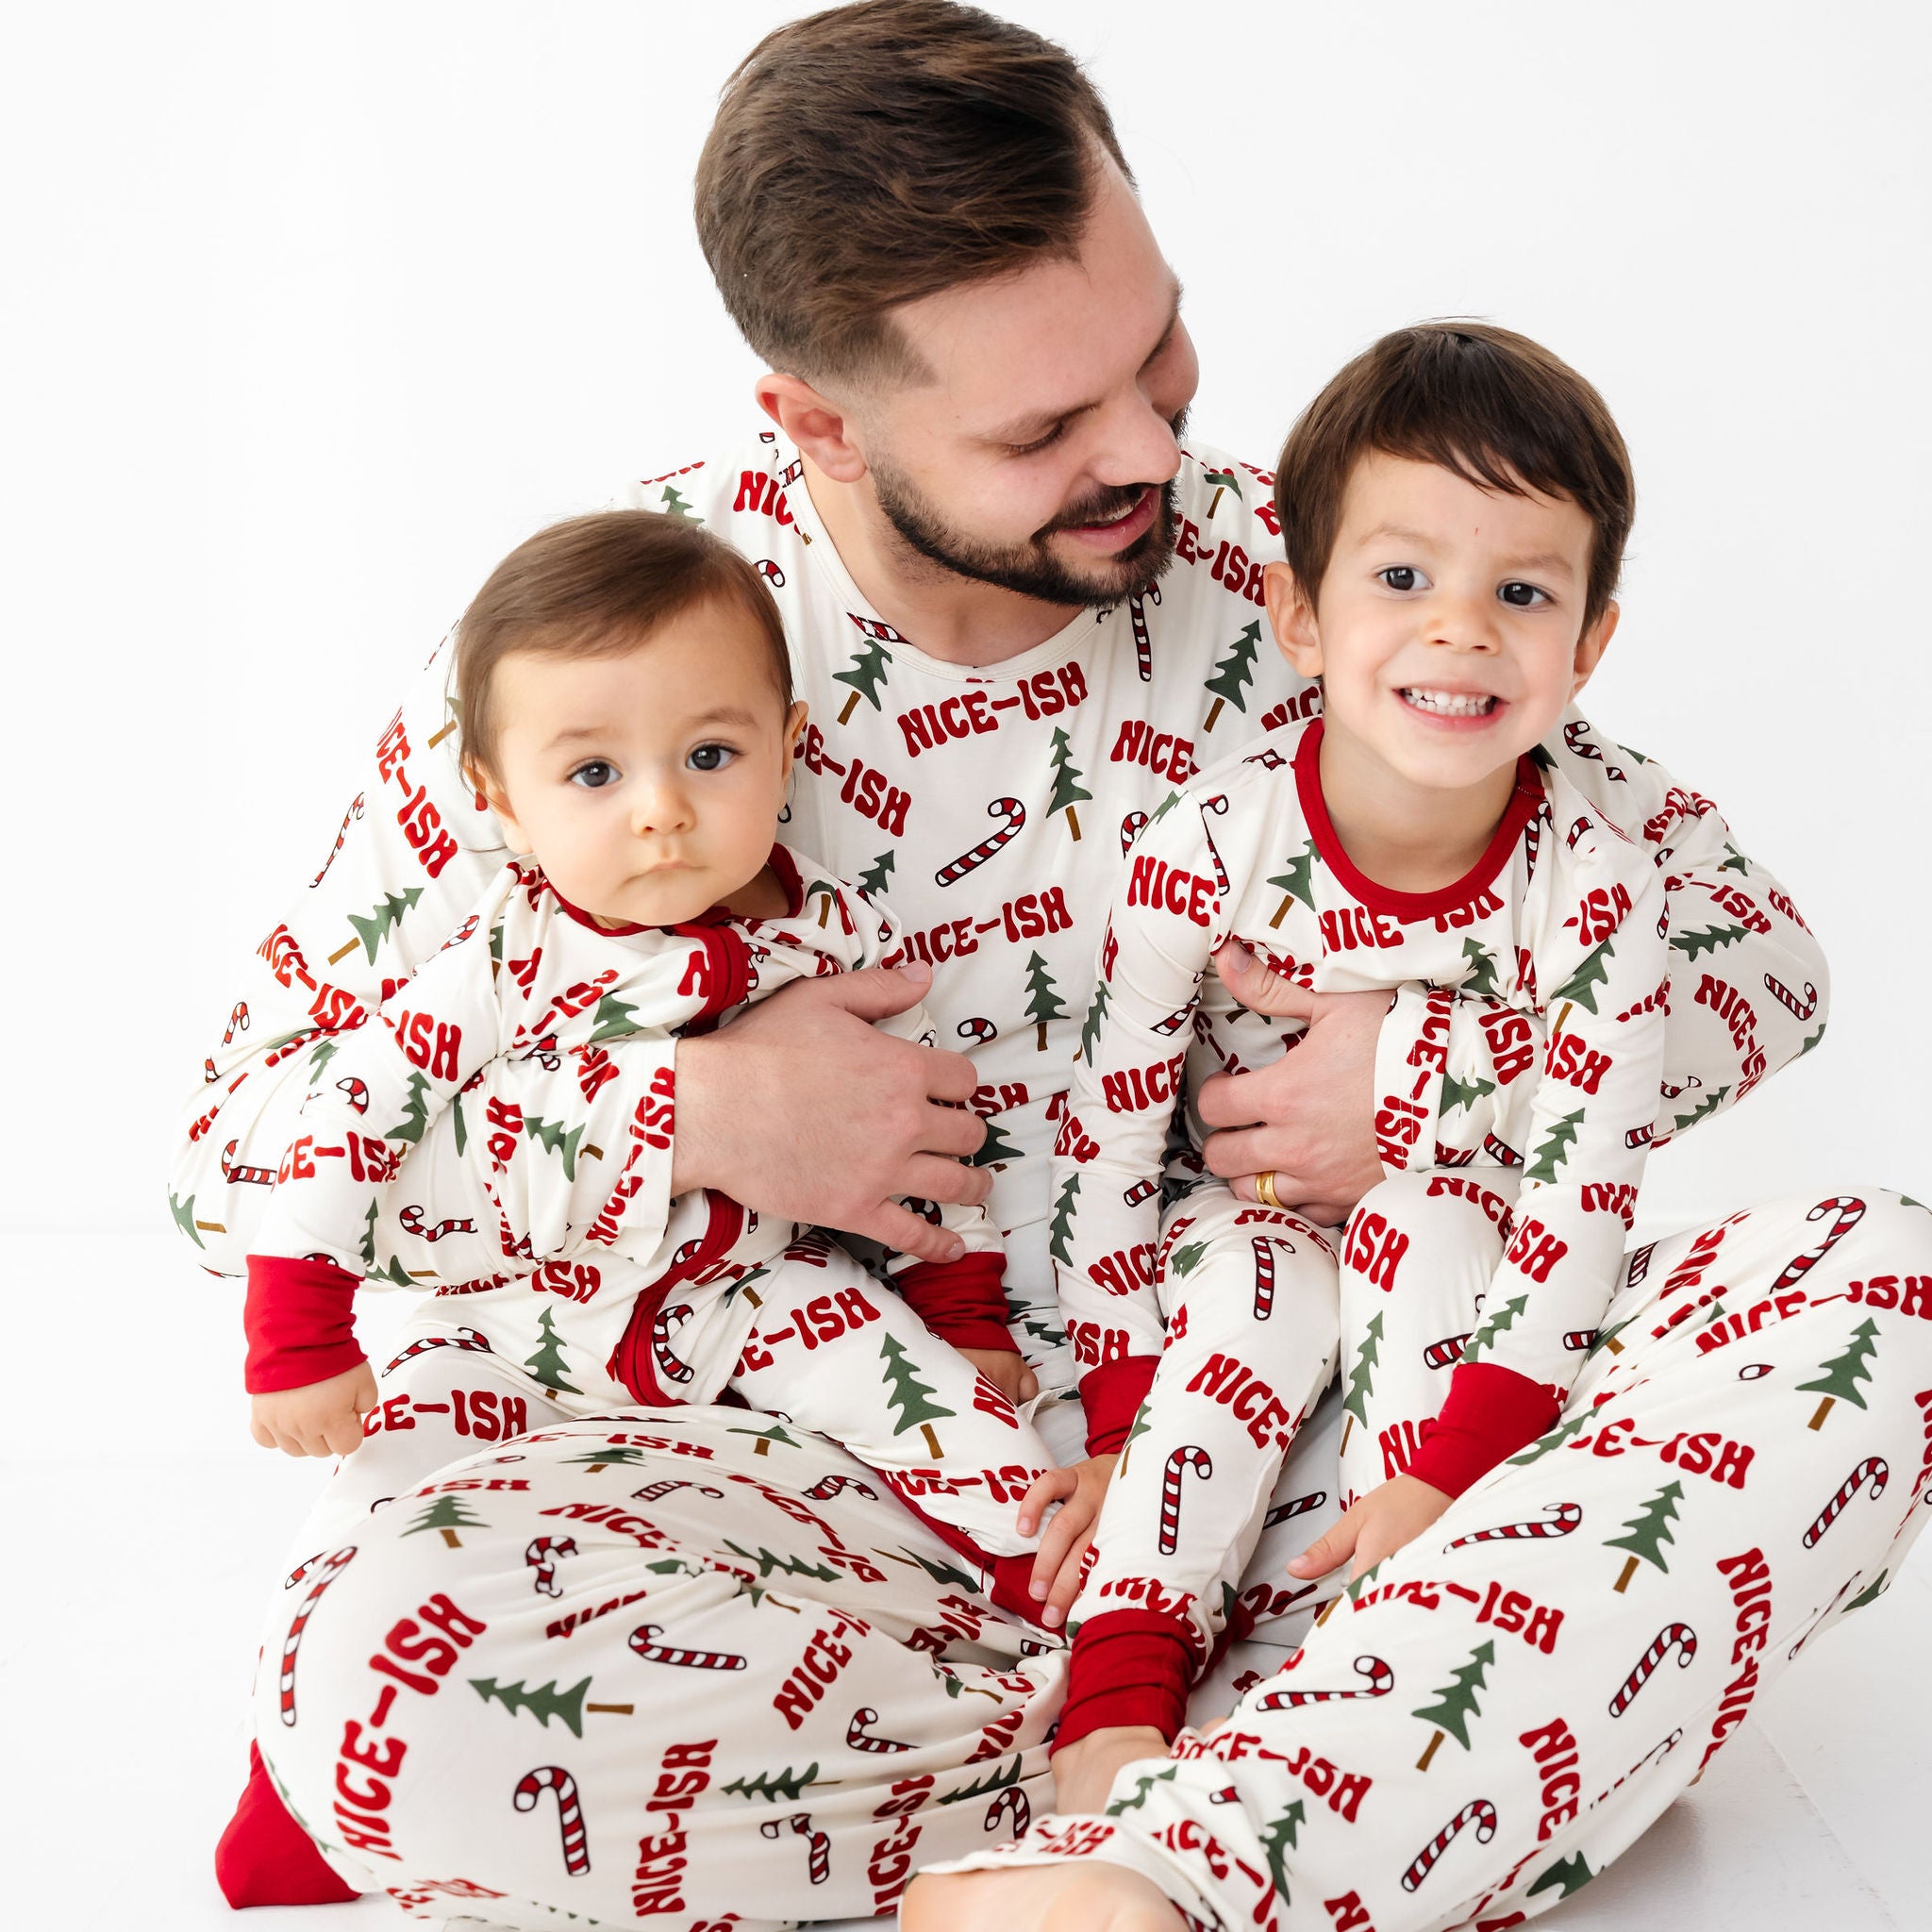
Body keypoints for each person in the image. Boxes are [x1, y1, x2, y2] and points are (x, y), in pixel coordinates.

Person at [176, 6, 1924, 1927]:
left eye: (1156, 348)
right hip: (831, 1522)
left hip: (1284, 1460)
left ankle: (1161, 1850)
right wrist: (689, 1113)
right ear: (817, 421)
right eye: (1041, 426)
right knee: (379, 1668)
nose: (1152, 449)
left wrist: (1425, 1081)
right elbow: (231, 1165)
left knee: (1883, 1300)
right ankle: (1402, 1762)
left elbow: (1748, 972)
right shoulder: (608, 646)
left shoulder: (1321, 573)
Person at [1018, 321, 1674, 1812]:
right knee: (1266, 1282)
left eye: (1520, 592)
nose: (1459, 633)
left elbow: (1581, 1201)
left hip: (1469, 1261)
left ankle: (1391, 1673)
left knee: (1426, 1221)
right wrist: (1121, 1417)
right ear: (1299, 615)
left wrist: (1452, 1462)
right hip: (1232, 1239)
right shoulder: (1209, 846)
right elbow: (1112, 1137)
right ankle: (1120, 1694)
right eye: (1400, 580)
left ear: (1589, 643)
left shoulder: (1597, 891)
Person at [242, 508, 1052, 1591]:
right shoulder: (506, 956)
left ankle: (1057, 1634)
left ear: (787, 748)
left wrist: (961, 1312)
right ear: (501, 803)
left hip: (758, 1296)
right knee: (380, 1537)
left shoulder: (830, 933)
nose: (661, 810)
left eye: (709, 755)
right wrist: (299, 1332)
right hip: (512, 1319)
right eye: (593, 775)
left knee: (981, 1446)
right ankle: (305, 1757)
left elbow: (920, 1122)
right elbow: (353, 1111)